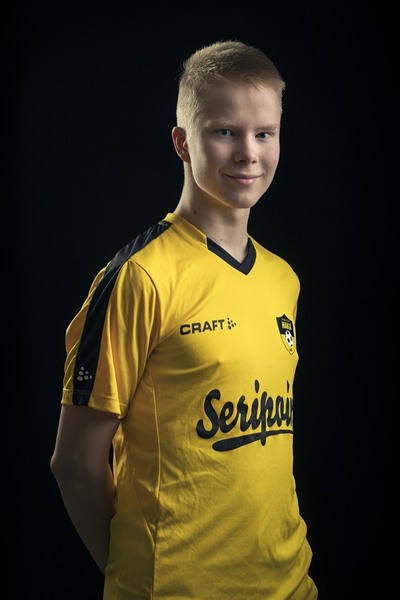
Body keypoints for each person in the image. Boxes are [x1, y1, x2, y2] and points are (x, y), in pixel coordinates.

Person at [50, 39, 318, 599]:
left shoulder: (283, 279)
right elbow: (74, 463)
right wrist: (133, 575)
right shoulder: (141, 277)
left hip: (291, 584)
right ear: (182, 142)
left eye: (264, 133)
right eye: (225, 132)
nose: (248, 153)